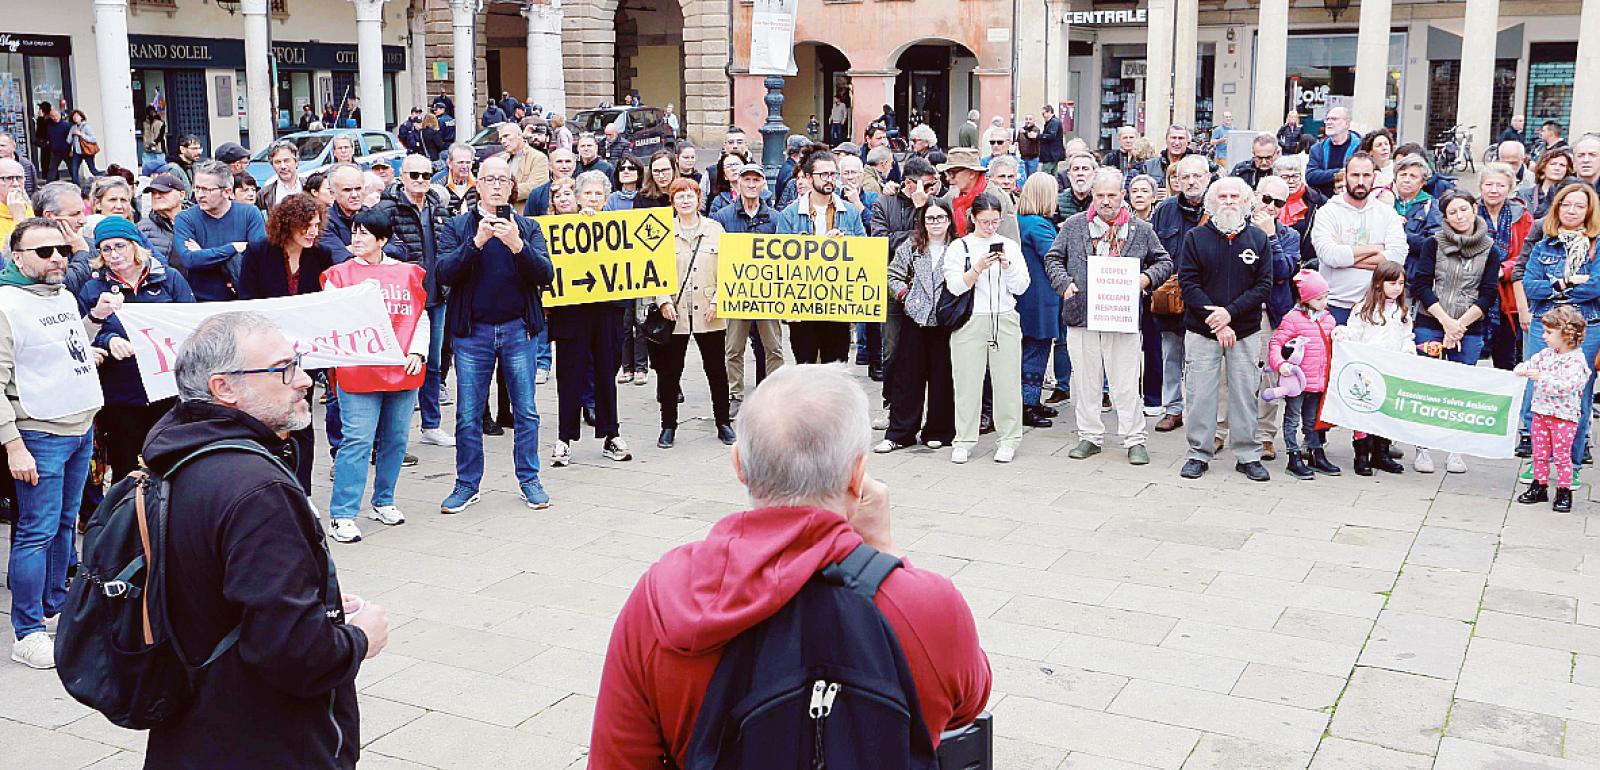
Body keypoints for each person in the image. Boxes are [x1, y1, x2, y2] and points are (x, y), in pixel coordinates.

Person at [590, 363, 990, 765]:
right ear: (858, 475)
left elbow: (616, 758)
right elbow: (968, 705)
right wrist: (882, 556)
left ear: (739, 465)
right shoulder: (929, 608)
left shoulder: (662, 598)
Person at [139, 311, 387, 767]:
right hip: (264, 738)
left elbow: (212, 586)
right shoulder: (257, 489)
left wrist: (311, 595)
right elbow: (294, 653)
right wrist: (358, 640)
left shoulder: (176, 450)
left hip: (192, 729)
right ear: (224, 388)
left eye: (298, 363)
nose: (305, 380)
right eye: (283, 369)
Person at [3, 218, 118, 669]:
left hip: (79, 426)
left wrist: (94, 322)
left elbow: (67, 348)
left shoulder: (65, 296)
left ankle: (57, 604)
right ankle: (27, 631)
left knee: (64, 524)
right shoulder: (6, 305)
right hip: (40, 434)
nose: (56, 259)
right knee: (36, 531)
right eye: (44, 252)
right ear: (18, 259)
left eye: (61, 250)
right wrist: (14, 445)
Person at [436, 156, 555, 513]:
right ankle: (466, 483)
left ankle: (529, 479)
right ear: (478, 184)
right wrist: (476, 242)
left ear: (511, 185)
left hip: (518, 329)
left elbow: (544, 274)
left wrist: (518, 245)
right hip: (473, 333)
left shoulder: (528, 226)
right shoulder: (458, 226)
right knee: (468, 414)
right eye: (490, 179)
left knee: (527, 411)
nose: (497, 185)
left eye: (503, 180)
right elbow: (444, 272)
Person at [1047, 167, 1173, 464]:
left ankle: (1135, 439)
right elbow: (1053, 258)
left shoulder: (1140, 229)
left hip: (1121, 315)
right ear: (1092, 195)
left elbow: (1164, 261)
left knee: (1126, 381)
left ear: (1122, 195)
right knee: (1087, 382)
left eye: (1112, 195)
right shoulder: (1074, 226)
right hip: (1081, 314)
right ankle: (1089, 436)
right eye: (1100, 195)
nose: (1106, 201)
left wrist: (1145, 279)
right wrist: (1064, 284)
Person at [320, 209, 429, 543]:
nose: (357, 239)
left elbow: (419, 315)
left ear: (383, 240)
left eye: (365, 233)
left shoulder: (408, 273)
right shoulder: (338, 275)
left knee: (396, 439)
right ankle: (342, 514)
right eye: (354, 232)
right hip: (358, 371)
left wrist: (418, 351)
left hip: (401, 367)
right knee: (357, 441)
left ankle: (384, 500)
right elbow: (329, 318)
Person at [78, 217, 194, 481]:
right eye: (106, 249)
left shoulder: (168, 279)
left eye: (120, 245)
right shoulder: (94, 288)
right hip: (122, 393)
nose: (114, 254)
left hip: (166, 391)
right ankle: (128, 520)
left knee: (170, 464)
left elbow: (188, 323)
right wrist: (107, 340)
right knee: (126, 467)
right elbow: (82, 334)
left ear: (135, 245)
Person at [1176, 177, 1274, 481]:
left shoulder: (1258, 239)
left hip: (1244, 330)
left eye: (1235, 196)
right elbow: (1188, 285)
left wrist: (1229, 315)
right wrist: (1216, 323)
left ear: (1246, 202)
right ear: (1211, 202)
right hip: (1202, 330)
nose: (1229, 201)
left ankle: (1247, 454)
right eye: (1223, 196)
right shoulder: (1195, 238)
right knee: (1200, 394)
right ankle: (1198, 453)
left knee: (1245, 393)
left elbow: (1264, 286)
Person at [1410, 189, 1506, 475]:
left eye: (1463, 209)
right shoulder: (1433, 243)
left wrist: (1460, 325)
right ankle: (1422, 446)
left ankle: (1455, 449)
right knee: (1427, 385)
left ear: (1474, 208)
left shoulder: (1491, 249)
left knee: (1462, 388)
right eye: (1452, 212)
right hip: (1431, 322)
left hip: (1470, 326)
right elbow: (1422, 285)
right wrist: (1446, 323)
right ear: (1445, 217)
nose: (1459, 216)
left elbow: (1488, 294)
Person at [545, 171, 634, 467]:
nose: (592, 199)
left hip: (607, 311)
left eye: (598, 195)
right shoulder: (563, 226)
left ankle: (611, 434)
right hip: (572, 313)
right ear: (578, 196)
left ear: (606, 199)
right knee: (569, 375)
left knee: (606, 374)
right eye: (588, 194)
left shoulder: (617, 228)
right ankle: (564, 438)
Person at [1518, 182, 1600, 482]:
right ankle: (1538, 462)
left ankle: (1572, 465)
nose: (1572, 210)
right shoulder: (1543, 246)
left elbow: (1595, 286)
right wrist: (1565, 285)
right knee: (1537, 388)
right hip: (1544, 324)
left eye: (1579, 205)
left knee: (1577, 392)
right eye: (1566, 204)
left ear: (1589, 211)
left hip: (1586, 326)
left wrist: (1553, 291)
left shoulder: (1596, 245)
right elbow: (1530, 285)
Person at [944, 192, 1029, 464]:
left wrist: (1007, 266)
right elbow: (954, 286)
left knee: (1007, 381)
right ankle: (964, 439)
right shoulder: (960, 247)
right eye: (984, 222)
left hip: (1004, 316)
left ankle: (1008, 438)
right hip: (971, 318)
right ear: (973, 219)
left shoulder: (1009, 245)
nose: (990, 227)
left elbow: (1021, 286)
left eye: (995, 222)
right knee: (967, 381)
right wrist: (977, 268)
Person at [649, 177, 734, 448]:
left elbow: (728, 269)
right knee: (670, 371)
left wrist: (718, 301)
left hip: (709, 310)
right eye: (680, 196)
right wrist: (663, 301)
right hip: (675, 312)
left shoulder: (715, 229)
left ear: (699, 199)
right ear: (672, 201)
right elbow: (654, 271)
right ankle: (668, 425)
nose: (686, 201)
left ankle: (723, 422)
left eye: (691, 195)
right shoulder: (663, 231)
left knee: (716, 370)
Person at [378, 154, 453, 448]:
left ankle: (431, 424)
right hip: (401, 301)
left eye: (426, 174)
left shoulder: (439, 206)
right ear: (402, 176)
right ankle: (391, 433)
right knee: (398, 364)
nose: (421, 180)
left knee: (432, 363)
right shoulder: (387, 208)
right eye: (414, 175)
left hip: (436, 296)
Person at [777, 148, 867, 363]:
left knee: (836, 367)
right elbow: (780, 260)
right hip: (802, 302)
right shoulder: (789, 214)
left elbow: (864, 252)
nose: (830, 180)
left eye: (833, 174)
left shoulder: (849, 211)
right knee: (805, 366)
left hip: (838, 303)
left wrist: (846, 244)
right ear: (808, 178)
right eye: (823, 175)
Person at [713, 163, 784, 407]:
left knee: (773, 346)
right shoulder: (723, 217)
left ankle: (774, 392)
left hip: (767, 293)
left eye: (756, 180)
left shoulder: (775, 218)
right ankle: (735, 394)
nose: (751, 185)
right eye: (747, 180)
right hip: (737, 292)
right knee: (734, 347)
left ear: (762, 183)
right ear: (738, 183)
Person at [1334, 261, 1414, 475]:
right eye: (1393, 283)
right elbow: (1353, 331)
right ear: (1379, 283)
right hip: (1367, 371)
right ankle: (1361, 455)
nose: (1397, 288)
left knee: (1385, 412)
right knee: (1363, 413)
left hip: (1391, 370)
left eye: (1401, 284)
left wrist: (1408, 353)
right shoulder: (1364, 309)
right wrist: (1342, 334)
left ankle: (1382, 453)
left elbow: (1407, 336)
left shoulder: (1402, 311)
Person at [1150, 155, 1212, 432]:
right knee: (1171, 355)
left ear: (1208, 177)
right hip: (1171, 298)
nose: (1191, 182)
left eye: (1197, 176)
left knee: (1203, 361)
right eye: (1185, 177)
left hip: (1207, 298)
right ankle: (1173, 409)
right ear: (1176, 181)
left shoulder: (1218, 207)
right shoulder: (1164, 210)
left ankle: (1200, 412)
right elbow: (1152, 250)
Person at [1311, 153, 1408, 323]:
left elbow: (1397, 258)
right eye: (1355, 175)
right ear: (1346, 175)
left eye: (1366, 175)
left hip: (1376, 308)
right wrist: (1377, 248)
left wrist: (1347, 256)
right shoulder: (1327, 212)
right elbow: (1330, 256)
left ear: (1374, 177)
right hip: (1335, 306)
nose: (1361, 181)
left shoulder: (1387, 214)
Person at [1515, 305, 1590, 513]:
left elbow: (1569, 386)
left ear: (1566, 334)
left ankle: (1564, 490)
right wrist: (1523, 368)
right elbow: (1531, 362)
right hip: (1541, 412)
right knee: (1539, 452)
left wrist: (1542, 378)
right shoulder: (1547, 354)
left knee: (1561, 455)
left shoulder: (1576, 361)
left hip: (1563, 417)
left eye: (1549, 332)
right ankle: (1539, 485)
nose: (1544, 336)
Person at [1268, 270, 1341, 479]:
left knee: (1312, 420)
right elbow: (1276, 343)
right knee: (1292, 419)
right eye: (1319, 298)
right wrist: (1280, 364)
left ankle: (1315, 450)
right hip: (1297, 381)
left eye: (1326, 297)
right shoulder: (1292, 319)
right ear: (1306, 298)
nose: (1325, 302)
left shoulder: (1328, 320)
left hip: (1318, 381)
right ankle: (1293, 455)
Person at [174, 161, 267, 301]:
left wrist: (204, 253)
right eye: (196, 188)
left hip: (245, 300)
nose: (200, 195)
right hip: (203, 301)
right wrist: (234, 248)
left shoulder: (250, 214)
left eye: (207, 190)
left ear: (227, 191)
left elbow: (258, 257)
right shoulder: (185, 219)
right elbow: (190, 260)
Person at [1014, 173, 1062, 429]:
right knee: (1037, 348)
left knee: (1030, 348)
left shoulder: (1021, 221)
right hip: (1039, 297)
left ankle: (1030, 400)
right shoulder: (1037, 224)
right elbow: (1053, 255)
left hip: (1027, 296)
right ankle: (1027, 404)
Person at [1392, 155, 1442, 276]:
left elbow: (1433, 243)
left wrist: (1399, 234)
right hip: (1380, 271)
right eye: (1403, 175)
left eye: (1413, 176)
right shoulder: (1383, 201)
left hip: (1412, 275)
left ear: (1422, 182)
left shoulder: (1431, 206)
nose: (1406, 180)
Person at [1306, 106, 1362, 198]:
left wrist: (1325, 175)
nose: (1329, 122)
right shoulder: (1317, 149)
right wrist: (1339, 171)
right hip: (1324, 202)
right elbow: (1311, 176)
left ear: (1347, 124)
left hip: (1354, 200)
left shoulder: (1361, 147)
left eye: (1334, 119)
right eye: (1327, 119)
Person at [499, 121, 550, 206]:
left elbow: (537, 188)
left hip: (526, 214)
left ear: (519, 136)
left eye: (506, 136)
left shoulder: (538, 158)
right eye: (500, 139)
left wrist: (503, 191)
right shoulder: (501, 160)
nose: (503, 141)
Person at [137, 173, 185, 264]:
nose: (157, 196)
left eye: (163, 192)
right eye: (153, 193)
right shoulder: (143, 228)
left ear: (181, 195)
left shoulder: (198, 220)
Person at [1521, 147, 1575, 223]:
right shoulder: (1524, 193)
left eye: (1562, 165)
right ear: (1543, 167)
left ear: (1567, 170)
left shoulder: (1571, 195)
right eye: (1553, 164)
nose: (1557, 168)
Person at [433, 142, 479, 216]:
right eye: (460, 162)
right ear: (449, 163)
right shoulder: (439, 183)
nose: (464, 166)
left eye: (468, 162)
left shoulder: (477, 184)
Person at [258, 139, 303, 210]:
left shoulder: (310, 187)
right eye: (277, 162)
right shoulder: (264, 194)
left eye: (286, 161)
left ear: (296, 162)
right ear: (272, 165)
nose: (283, 166)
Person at [0, 157, 34, 245]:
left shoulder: (27, 207)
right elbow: (6, 255)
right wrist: (19, 219)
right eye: (8, 178)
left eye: (19, 178)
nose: (15, 184)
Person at [1056, 152, 1096, 219]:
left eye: (1085, 169)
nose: (1080, 173)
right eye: (1076, 169)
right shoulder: (1058, 201)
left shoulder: (1101, 200)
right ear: (1068, 175)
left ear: (1094, 174)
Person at [64, 109, 99, 184]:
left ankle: (105, 177)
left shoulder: (86, 127)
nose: (75, 118)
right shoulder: (73, 127)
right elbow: (68, 141)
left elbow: (93, 139)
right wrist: (71, 134)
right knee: (74, 170)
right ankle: (76, 187)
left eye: (77, 116)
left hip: (87, 151)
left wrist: (81, 134)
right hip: (77, 152)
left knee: (93, 170)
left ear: (81, 117)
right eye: (73, 116)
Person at [1359, 128, 1396, 193]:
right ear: (1370, 151)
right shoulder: (1365, 169)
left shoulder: (1397, 167)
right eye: (1379, 145)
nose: (1384, 148)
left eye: (1386, 144)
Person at [1038, 105, 1066, 175]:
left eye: (1043, 114)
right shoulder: (1054, 122)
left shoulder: (1053, 122)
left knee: (1046, 174)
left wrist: (1038, 136)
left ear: (1049, 112)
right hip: (1053, 154)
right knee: (1053, 174)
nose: (1043, 116)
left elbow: (1051, 136)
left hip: (1050, 155)